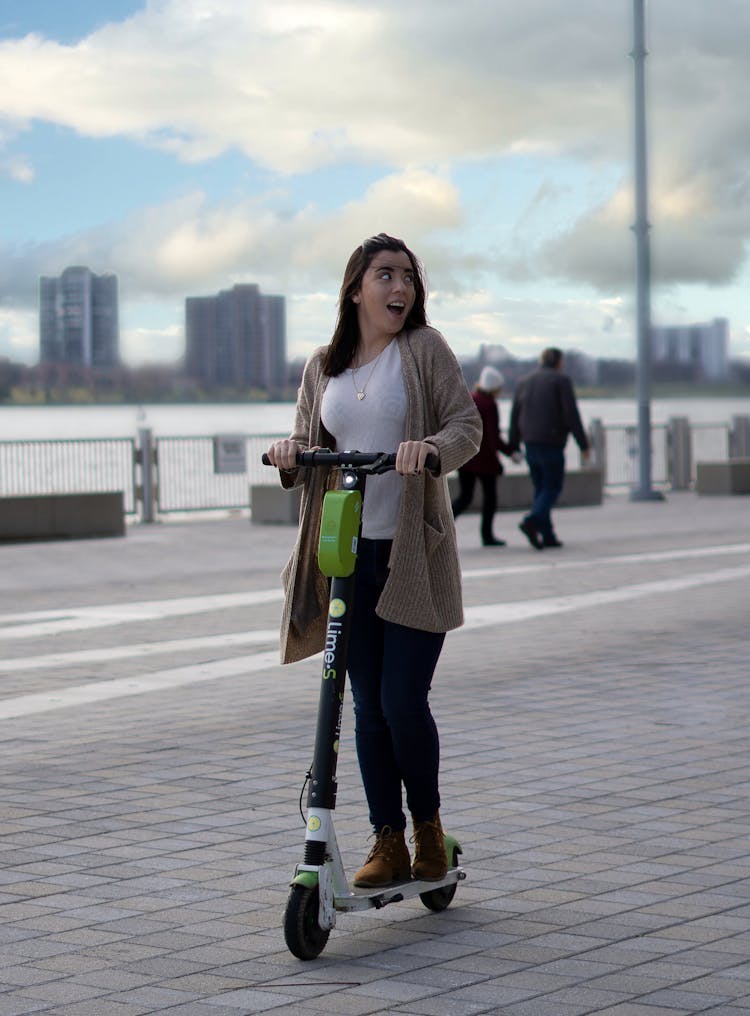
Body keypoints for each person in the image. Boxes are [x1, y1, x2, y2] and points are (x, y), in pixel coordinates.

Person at [266, 233, 481, 889]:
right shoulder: (325, 364)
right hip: (345, 556)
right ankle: (386, 842)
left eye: (409, 278)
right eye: (385, 275)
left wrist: (431, 449)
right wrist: (288, 453)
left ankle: (429, 833)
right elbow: (307, 441)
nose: (400, 289)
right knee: (364, 708)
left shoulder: (424, 350)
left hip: (412, 555)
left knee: (402, 702)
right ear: (355, 286)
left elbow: (465, 427)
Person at [508, 347, 590, 549]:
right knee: (552, 487)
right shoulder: (561, 381)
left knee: (541, 488)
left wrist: (513, 444)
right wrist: (583, 444)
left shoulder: (524, 382)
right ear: (559, 362)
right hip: (551, 442)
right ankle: (532, 521)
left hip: (530, 443)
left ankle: (547, 535)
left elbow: (515, 415)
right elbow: (571, 414)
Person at [451, 365, 514, 546]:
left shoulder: (470, 399)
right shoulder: (490, 404)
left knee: (465, 497)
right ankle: (487, 536)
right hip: (484, 460)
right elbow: (492, 437)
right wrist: (508, 454)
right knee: (490, 498)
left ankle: (444, 528)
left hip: (465, 458)